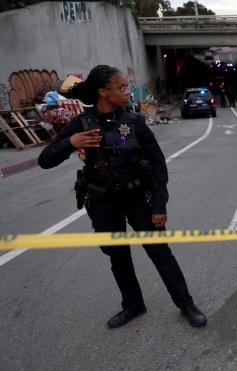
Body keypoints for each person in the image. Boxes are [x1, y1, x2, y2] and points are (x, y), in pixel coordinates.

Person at [38, 65, 207, 329]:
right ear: (103, 92)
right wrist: (72, 143)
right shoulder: (80, 125)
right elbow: (45, 160)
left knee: (160, 253)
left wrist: (159, 204)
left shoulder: (136, 122)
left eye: (127, 86)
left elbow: (158, 166)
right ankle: (133, 305)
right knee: (118, 257)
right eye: (122, 87)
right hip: (103, 202)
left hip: (139, 198)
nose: (127, 92)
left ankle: (186, 304)